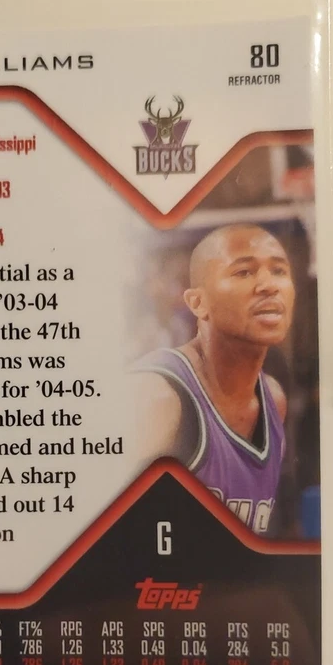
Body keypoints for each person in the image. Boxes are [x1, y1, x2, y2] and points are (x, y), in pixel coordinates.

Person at [133, 224, 294, 534]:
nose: (269, 285)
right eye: (244, 272)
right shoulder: (156, 395)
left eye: (278, 271)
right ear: (197, 302)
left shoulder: (273, 400)